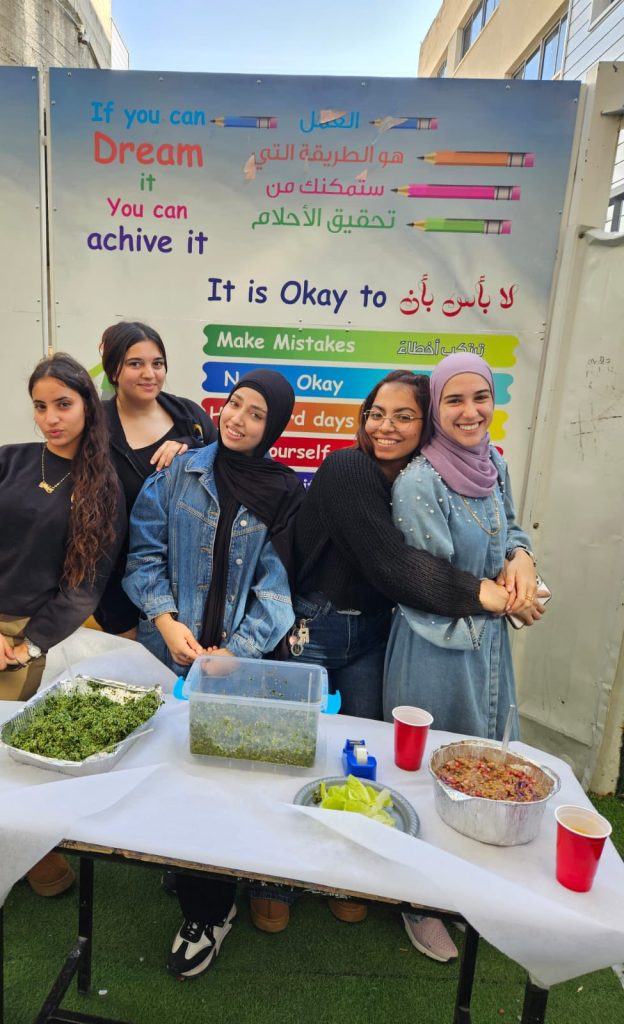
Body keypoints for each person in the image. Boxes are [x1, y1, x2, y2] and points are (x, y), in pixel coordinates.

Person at [251, 369, 514, 945]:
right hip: (315, 629)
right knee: (293, 752)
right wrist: (483, 594)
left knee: (360, 759)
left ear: (426, 425)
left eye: (403, 416)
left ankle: (346, 876)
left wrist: (519, 558)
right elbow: (391, 564)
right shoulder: (349, 467)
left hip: (374, 634)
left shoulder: (424, 475)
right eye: (376, 413)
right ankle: (275, 882)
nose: (385, 426)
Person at [123, 369, 303, 978]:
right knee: (173, 773)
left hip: (236, 667)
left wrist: (238, 652)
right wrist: (166, 620)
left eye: (256, 413)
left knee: (217, 786)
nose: (238, 419)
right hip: (169, 654)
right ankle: (189, 870)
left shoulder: (285, 492)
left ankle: (210, 912)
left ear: (273, 428)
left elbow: (279, 590)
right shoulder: (180, 471)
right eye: (234, 404)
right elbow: (142, 555)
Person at [0, 352, 125, 896]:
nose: (51, 418)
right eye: (40, 407)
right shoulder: (7, 461)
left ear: (88, 405)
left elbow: (84, 588)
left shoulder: (104, 487)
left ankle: (27, 854)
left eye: (63, 404)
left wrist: (27, 647)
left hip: (23, 637)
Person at [383, 352, 541, 961]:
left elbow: (511, 532)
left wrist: (523, 562)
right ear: (436, 410)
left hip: (489, 645)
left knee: (486, 769)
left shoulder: (494, 463)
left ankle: (472, 886)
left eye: (481, 398)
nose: (470, 412)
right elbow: (430, 585)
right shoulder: (420, 482)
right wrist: (505, 600)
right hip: (438, 647)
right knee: (432, 774)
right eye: (454, 400)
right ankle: (418, 901)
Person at [94, 321, 217, 637]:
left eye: (157, 363)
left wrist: (189, 446)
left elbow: (224, 464)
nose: (149, 374)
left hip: (190, 587)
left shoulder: (190, 419)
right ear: (113, 370)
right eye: (136, 364)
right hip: (120, 592)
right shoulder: (94, 429)